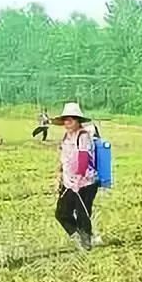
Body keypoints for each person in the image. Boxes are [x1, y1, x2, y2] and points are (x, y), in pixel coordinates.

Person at [53, 102, 100, 251]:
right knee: (61, 213)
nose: (67, 123)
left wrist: (78, 179)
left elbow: (84, 159)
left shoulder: (83, 136)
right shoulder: (66, 137)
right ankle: (77, 236)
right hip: (68, 182)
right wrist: (59, 176)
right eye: (65, 120)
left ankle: (86, 242)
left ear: (77, 120)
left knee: (82, 214)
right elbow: (64, 158)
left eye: (70, 120)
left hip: (85, 182)